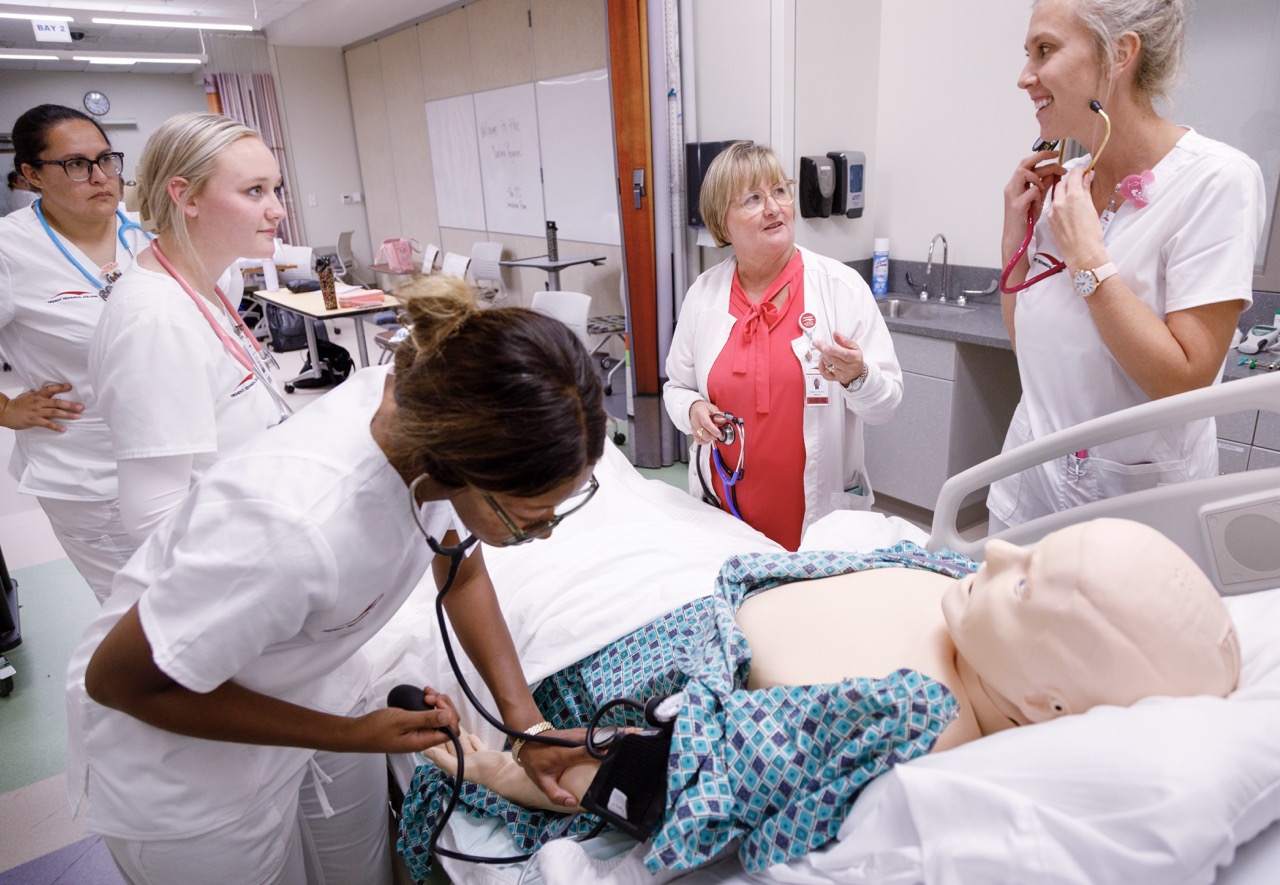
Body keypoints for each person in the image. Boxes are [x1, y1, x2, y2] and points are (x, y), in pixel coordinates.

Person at [65, 275, 607, 885]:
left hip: (317, 689)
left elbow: (459, 568)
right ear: (459, 467)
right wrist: (348, 734)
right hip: (189, 762)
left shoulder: (429, 413)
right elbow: (119, 681)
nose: (547, 534)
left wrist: (526, 727)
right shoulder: (290, 526)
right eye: (530, 520)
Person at [412, 518, 1239, 882]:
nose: (996, 548)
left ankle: (493, 767)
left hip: (637, 677)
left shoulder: (919, 714)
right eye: (1033, 549)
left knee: (556, 738)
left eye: (1025, 583)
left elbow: (694, 777)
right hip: (683, 589)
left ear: (1048, 705)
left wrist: (522, 759)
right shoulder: (965, 592)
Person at [990, 0, 1266, 530]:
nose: (1025, 78)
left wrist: (1088, 259)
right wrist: (1013, 246)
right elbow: (1033, 349)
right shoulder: (1065, 184)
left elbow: (1185, 380)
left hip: (1133, 508)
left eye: (1044, 51)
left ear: (1120, 54)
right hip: (1028, 487)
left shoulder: (1217, 181)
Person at [664, 142, 902, 551]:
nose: (774, 208)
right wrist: (693, 410)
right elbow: (676, 387)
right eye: (753, 198)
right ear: (723, 222)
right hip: (724, 515)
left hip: (816, 525)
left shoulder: (839, 288)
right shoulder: (704, 295)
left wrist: (857, 377)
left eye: (779, 191)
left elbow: (886, 406)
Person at [88, 113, 287, 545]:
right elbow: (156, 516)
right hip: (233, 562)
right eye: (255, 190)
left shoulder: (210, 285)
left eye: (276, 188)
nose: (278, 209)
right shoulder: (156, 322)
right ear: (186, 196)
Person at [0, 104, 150, 602]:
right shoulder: (9, 251)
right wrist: (5, 409)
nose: (101, 176)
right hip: (87, 470)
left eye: (107, 160)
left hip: (176, 451)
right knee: (135, 612)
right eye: (76, 164)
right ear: (30, 175)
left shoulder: (145, 233)